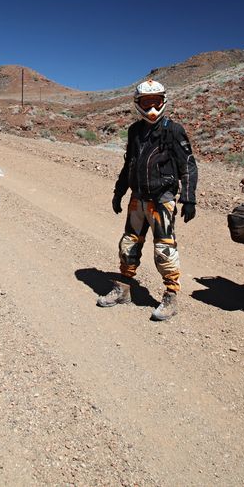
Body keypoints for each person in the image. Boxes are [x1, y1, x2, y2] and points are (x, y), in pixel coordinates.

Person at [97, 79, 198, 321]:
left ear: (163, 101)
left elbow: (188, 166)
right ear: (138, 104)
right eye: (147, 102)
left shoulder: (174, 130)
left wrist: (188, 198)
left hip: (161, 199)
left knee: (164, 250)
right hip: (137, 198)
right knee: (128, 245)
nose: (152, 106)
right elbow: (128, 163)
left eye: (156, 101)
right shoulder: (134, 131)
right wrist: (119, 191)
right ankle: (123, 290)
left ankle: (171, 297)